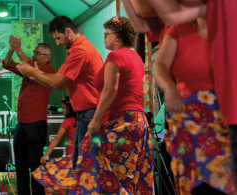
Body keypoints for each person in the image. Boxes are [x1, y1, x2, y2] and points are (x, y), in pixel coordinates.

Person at [33, 16, 153, 194]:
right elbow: (143, 93)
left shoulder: (115, 55)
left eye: (107, 34)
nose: (104, 37)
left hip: (120, 121)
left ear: (118, 37)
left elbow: (110, 90)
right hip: (138, 122)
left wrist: (96, 120)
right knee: (127, 175)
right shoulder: (136, 57)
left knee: (98, 173)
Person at [150, 0, 237, 186]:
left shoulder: (224, 16)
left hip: (223, 112)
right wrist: (170, 88)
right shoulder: (179, 29)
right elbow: (161, 65)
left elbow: (169, 14)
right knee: (193, 180)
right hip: (188, 117)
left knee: (224, 180)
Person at [16, 15, 104, 168]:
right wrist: (32, 72)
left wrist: (31, 70)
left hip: (89, 114)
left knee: (86, 167)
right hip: (84, 115)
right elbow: (60, 86)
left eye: (58, 38)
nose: (57, 43)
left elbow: (57, 81)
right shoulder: (79, 49)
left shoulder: (81, 51)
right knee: (80, 166)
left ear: (68, 31)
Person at [2, 35, 55, 195]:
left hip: (36, 123)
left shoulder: (48, 70)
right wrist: (11, 50)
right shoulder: (29, 71)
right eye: (33, 52)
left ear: (47, 57)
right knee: (21, 164)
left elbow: (30, 65)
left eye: (37, 53)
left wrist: (19, 49)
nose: (34, 55)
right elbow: (7, 64)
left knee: (35, 164)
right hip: (21, 124)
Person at [41, 96, 76, 163]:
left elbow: (57, 138)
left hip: (70, 157)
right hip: (81, 155)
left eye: (64, 108)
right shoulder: (80, 121)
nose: (62, 110)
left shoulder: (67, 122)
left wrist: (46, 155)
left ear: (71, 109)